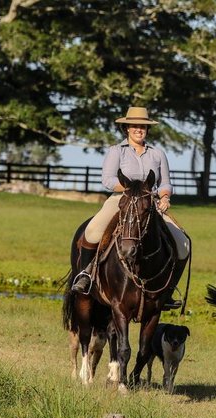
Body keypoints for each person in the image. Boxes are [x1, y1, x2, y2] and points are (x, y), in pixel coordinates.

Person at [71, 106, 190, 309]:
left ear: (147, 129)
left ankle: (168, 291)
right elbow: (107, 179)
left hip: (148, 204)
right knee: (92, 231)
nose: (139, 129)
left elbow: (165, 182)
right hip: (121, 200)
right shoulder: (117, 151)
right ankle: (85, 275)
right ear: (127, 128)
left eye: (142, 126)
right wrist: (130, 190)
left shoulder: (158, 154)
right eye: (135, 126)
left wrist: (165, 196)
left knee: (182, 243)